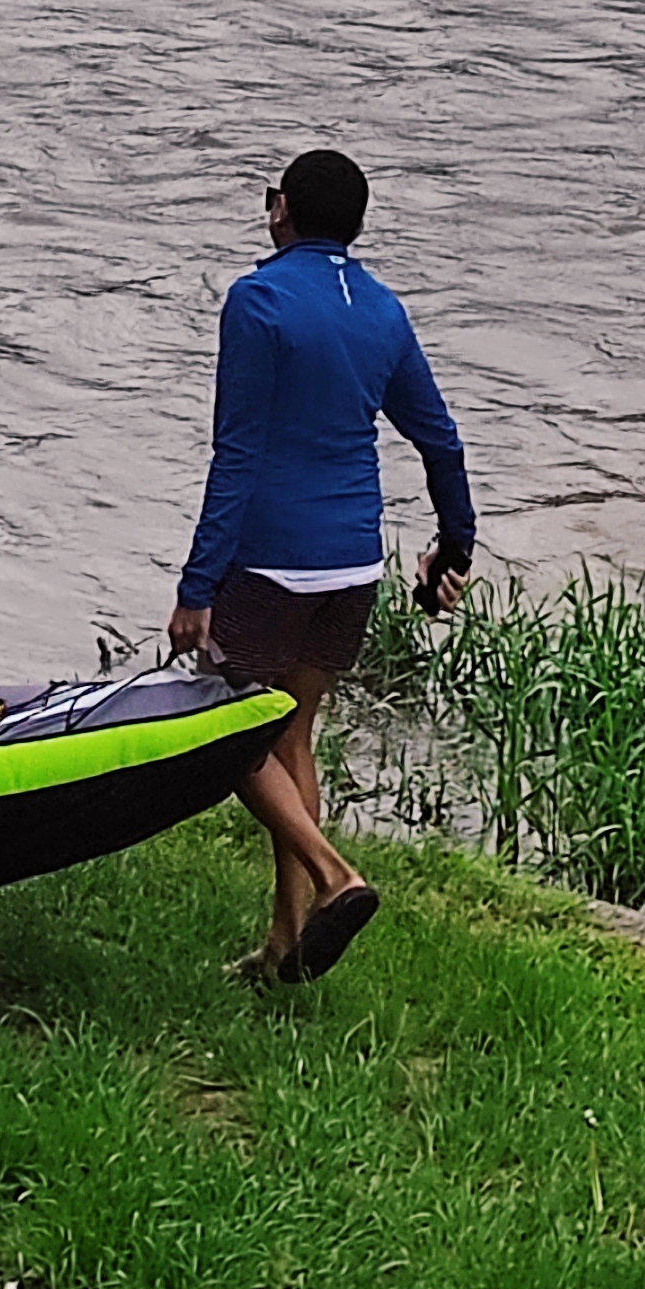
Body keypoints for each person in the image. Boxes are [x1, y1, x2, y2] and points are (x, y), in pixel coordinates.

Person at [168, 146, 475, 984]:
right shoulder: (383, 310)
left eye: (274, 197)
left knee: (223, 738)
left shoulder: (257, 301)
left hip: (270, 563)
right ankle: (283, 945)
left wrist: (198, 587)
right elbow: (440, 438)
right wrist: (455, 547)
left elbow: (237, 455)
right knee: (292, 731)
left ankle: (338, 877)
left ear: (282, 213)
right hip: (351, 567)